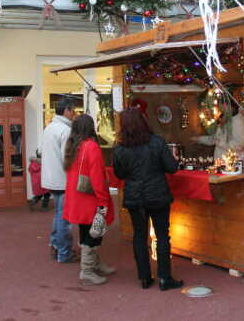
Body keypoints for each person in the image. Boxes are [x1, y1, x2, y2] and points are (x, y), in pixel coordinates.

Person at [113, 108, 183, 291]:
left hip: (135, 197)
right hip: (157, 194)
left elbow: (119, 173)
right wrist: (174, 158)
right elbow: (171, 168)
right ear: (143, 121)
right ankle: (164, 278)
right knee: (162, 236)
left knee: (139, 236)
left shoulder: (120, 148)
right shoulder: (157, 142)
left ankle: (144, 277)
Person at [63, 114, 115, 286]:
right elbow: (97, 178)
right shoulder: (91, 146)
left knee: (87, 231)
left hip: (77, 198)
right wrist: (103, 202)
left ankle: (93, 263)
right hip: (89, 199)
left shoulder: (73, 146)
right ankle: (86, 270)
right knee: (93, 234)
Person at [41, 97, 75, 263]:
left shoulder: (48, 128)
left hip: (50, 178)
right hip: (63, 180)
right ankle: (64, 252)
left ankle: (55, 244)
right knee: (64, 217)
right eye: (72, 111)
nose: (73, 114)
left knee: (58, 214)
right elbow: (66, 158)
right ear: (67, 111)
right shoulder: (65, 130)